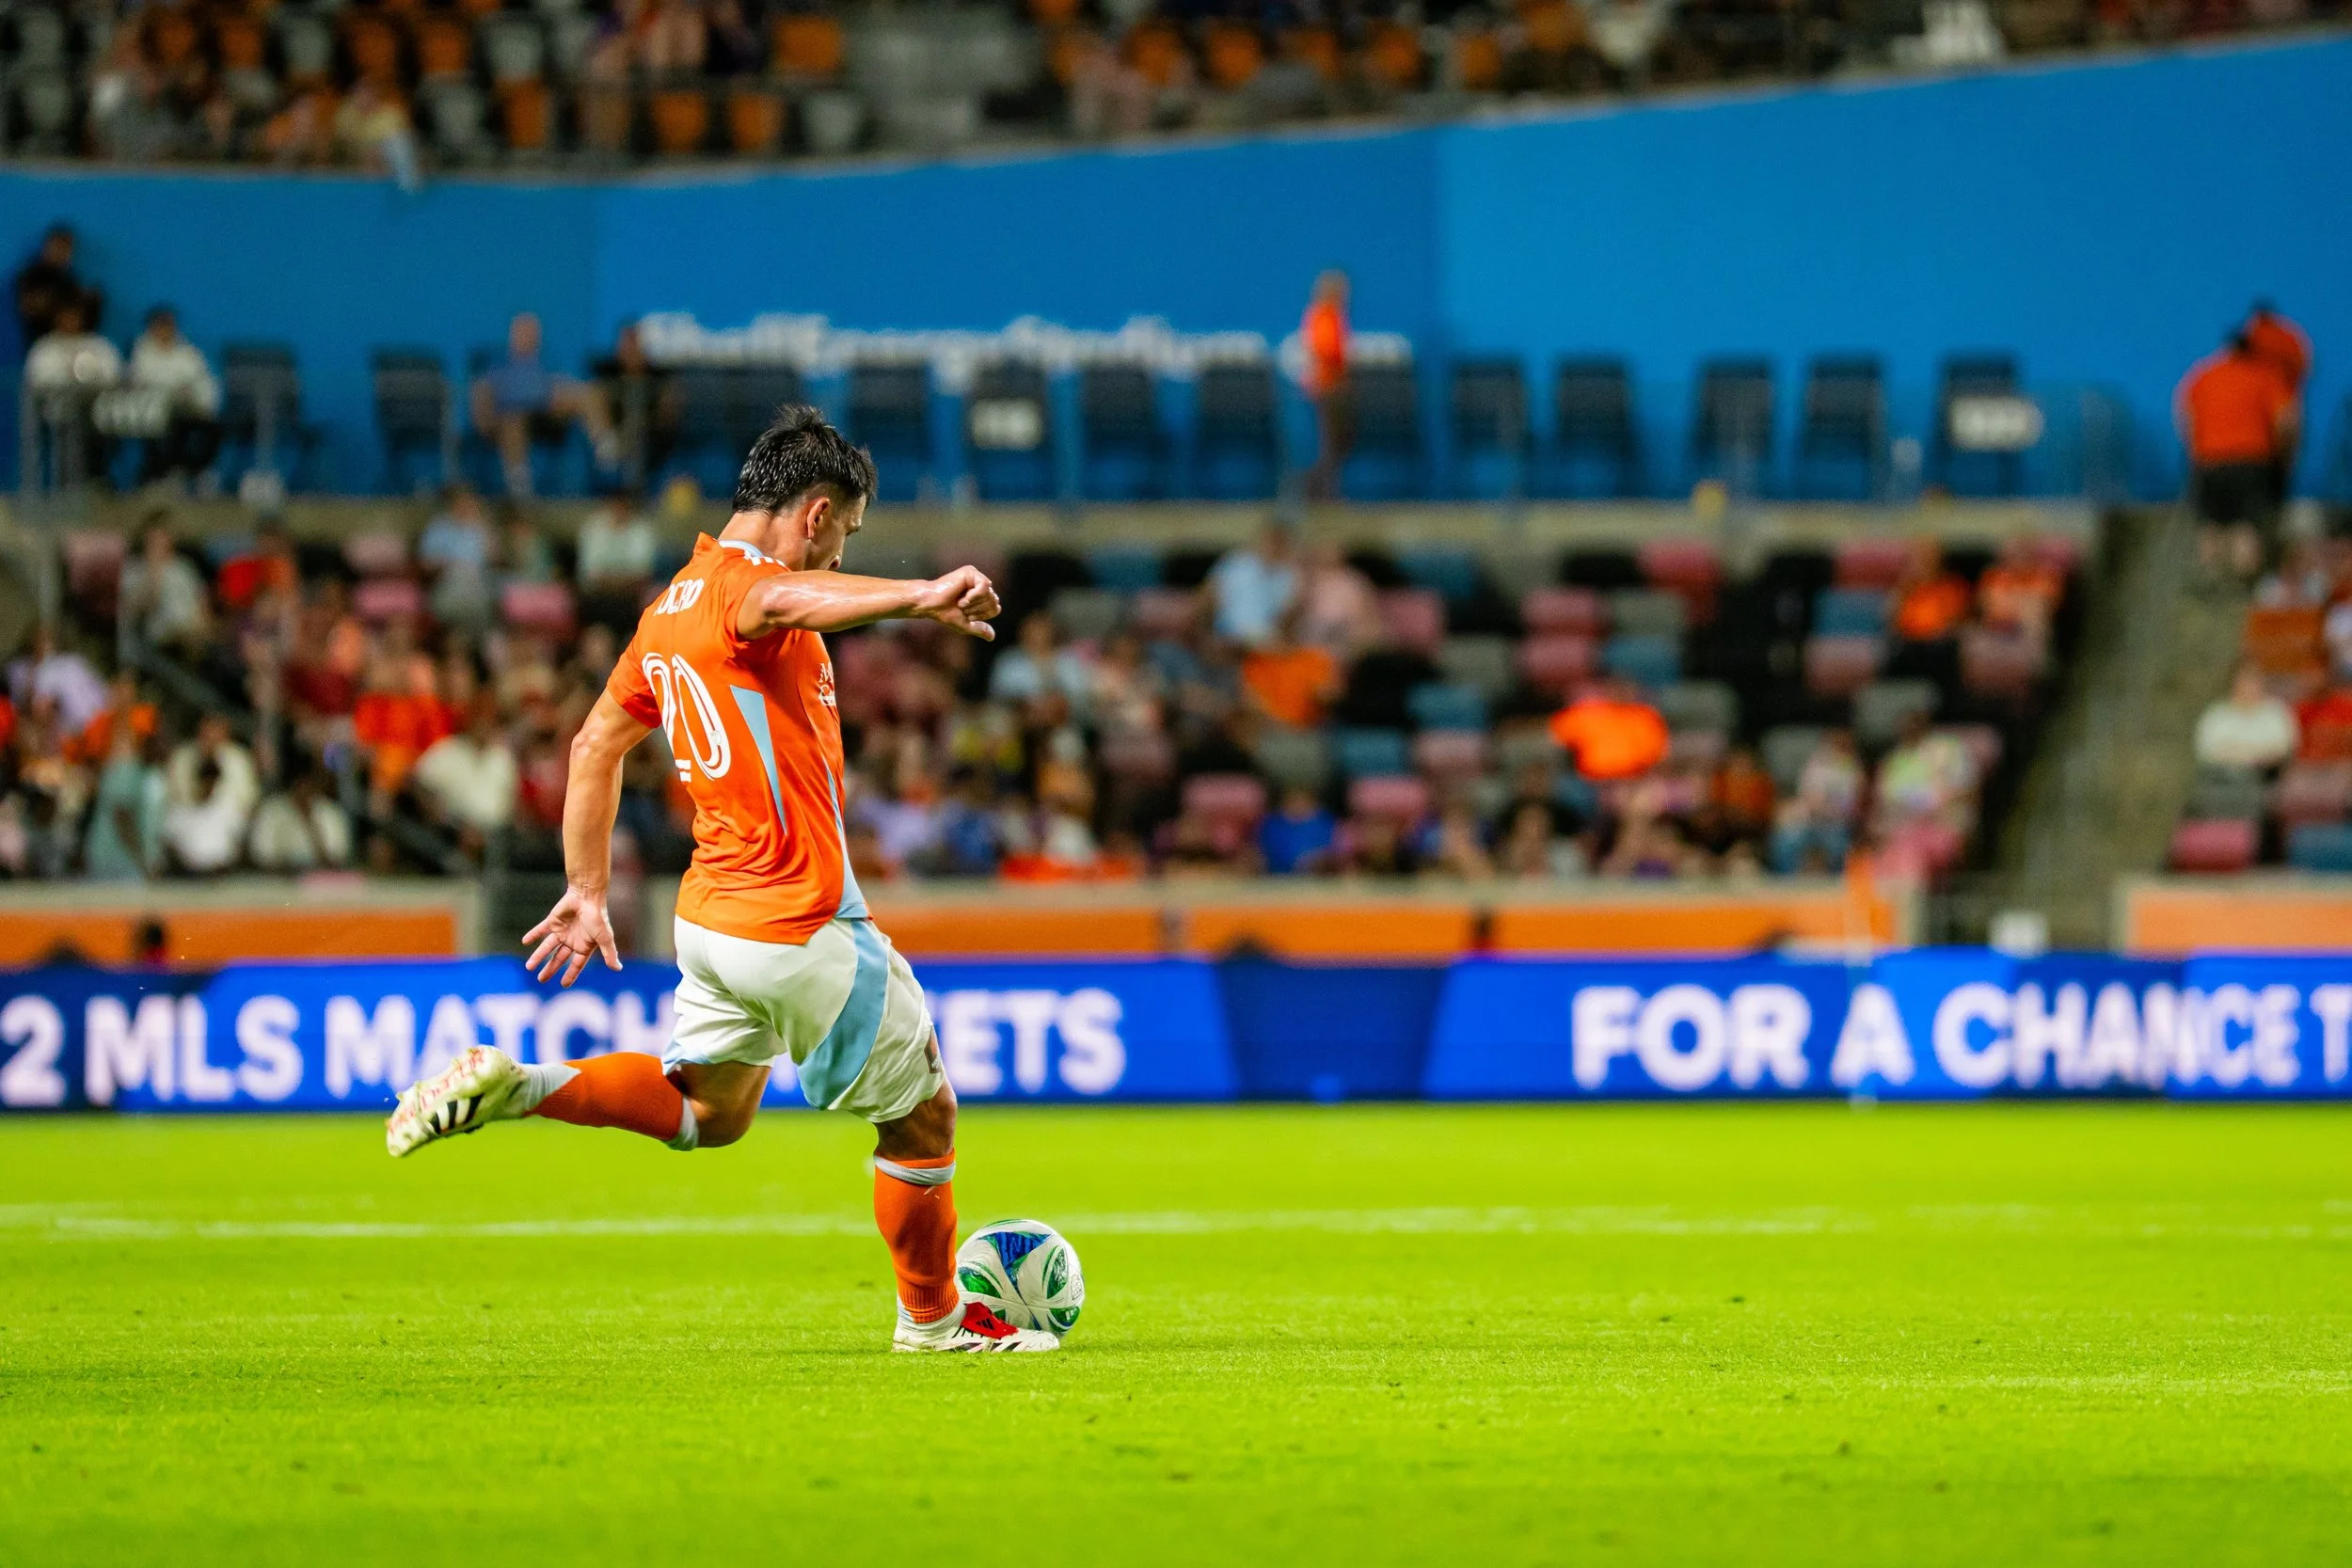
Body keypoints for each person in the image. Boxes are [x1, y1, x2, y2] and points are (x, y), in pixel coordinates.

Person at [384, 406, 1057, 1354]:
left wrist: (585, 886)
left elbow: (594, 744)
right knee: (922, 1118)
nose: (839, 555)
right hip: (796, 918)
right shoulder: (749, 587)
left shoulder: (669, 607)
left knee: (709, 1113)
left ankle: (519, 1083)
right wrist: (919, 594)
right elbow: (780, 601)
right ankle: (934, 1319)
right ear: (815, 514)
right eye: (846, 531)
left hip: (713, 921)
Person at [2176, 330, 2296, 578]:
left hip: (2209, 461)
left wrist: (2195, 448)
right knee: (2247, 526)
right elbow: (2286, 421)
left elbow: (2184, 415)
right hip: (2252, 461)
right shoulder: (2265, 375)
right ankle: (2245, 585)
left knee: (2210, 526)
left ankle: (2210, 581)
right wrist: (2285, 456)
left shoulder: (2204, 374)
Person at [469, 312, 620, 498]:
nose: (530, 338)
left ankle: (606, 448)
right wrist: (486, 420)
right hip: (511, 419)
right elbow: (483, 402)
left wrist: (557, 393)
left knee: (590, 391)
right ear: (513, 336)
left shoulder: (542, 366)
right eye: (524, 332)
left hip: (545, 414)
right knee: (513, 420)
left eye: (533, 333)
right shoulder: (496, 369)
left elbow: (552, 387)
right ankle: (519, 485)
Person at [126, 306, 221, 484]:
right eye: (159, 326)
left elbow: (205, 383)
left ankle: (186, 471)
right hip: (150, 414)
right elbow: (137, 383)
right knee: (162, 429)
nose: (164, 330)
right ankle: (158, 473)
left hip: (186, 411)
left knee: (214, 430)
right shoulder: (141, 353)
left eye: (168, 325)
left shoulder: (188, 354)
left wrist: (203, 404)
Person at [1547, 676, 1668, 784]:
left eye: (1625, 689)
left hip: (1634, 781)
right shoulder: (1588, 713)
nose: (1620, 693)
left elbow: (1657, 753)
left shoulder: (1645, 716)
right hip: (1590, 781)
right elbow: (1556, 735)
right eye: (1616, 689)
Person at [1206, 520, 1300, 647]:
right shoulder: (1237, 564)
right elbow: (1209, 596)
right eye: (1271, 542)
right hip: (1228, 634)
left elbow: (1285, 617)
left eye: (1280, 545)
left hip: (1265, 639)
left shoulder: (1288, 576)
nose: (1274, 548)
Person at [2193, 662, 2297, 775]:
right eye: (2244, 681)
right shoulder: (2216, 715)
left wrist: (2255, 758)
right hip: (2224, 776)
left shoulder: (2276, 712)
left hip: (2267, 776)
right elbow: (2207, 751)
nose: (2249, 687)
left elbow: (2283, 749)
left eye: (2254, 681)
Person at [248, 762, 354, 872]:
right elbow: (262, 856)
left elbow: (338, 858)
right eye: (302, 784)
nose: (306, 789)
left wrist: (312, 826)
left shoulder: (331, 813)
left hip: (321, 878)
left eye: (311, 784)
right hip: (278, 880)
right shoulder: (271, 811)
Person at [1301, 270, 1351, 500]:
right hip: (1326, 386)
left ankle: (1320, 489)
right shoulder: (1323, 315)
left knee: (1337, 443)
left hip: (1334, 384)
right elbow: (1326, 350)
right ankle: (1319, 491)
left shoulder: (1334, 316)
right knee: (1329, 444)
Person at [13, 224, 98, 349]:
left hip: (68, 343)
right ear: (47, 247)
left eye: (66, 249)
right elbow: (27, 308)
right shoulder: (30, 277)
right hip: (39, 343)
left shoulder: (70, 280)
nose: (61, 253)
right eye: (58, 247)